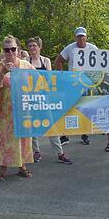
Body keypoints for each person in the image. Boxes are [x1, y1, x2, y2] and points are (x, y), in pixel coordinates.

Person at [0, 36, 34, 180]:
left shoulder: (26, 66)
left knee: (23, 138)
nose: (10, 52)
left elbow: (39, 82)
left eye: (13, 49)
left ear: (18, 50)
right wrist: (3, 72)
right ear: (3, 51)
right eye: (7, 50)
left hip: (23, 110)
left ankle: (22, 167)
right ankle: (2, 170)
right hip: (4, 111)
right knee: (4, 139)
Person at [26, 36, 72, 164]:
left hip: (44, 97)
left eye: (34, 45)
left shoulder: (45, 61)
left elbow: (49, 78)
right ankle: (36, 151)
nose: (32, 48)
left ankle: (60, 153)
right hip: (30, 97)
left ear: (40, 47)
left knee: (51, 125)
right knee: (32, 125)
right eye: (30, 46)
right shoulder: (26, 60)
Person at [55, 26, 97, 146]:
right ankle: (64, 135)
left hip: (86, 83)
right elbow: (58, 61)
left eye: (82, 36)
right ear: (75, 37)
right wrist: (63, 76)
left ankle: (85, 134)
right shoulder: (70, 48)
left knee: (85, 109)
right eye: (79, 36)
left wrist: (94, 78)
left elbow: (100, 64)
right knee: (68, 108)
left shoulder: (93, 48)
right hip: (72, 84)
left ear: (86, 37)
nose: (81, 39)